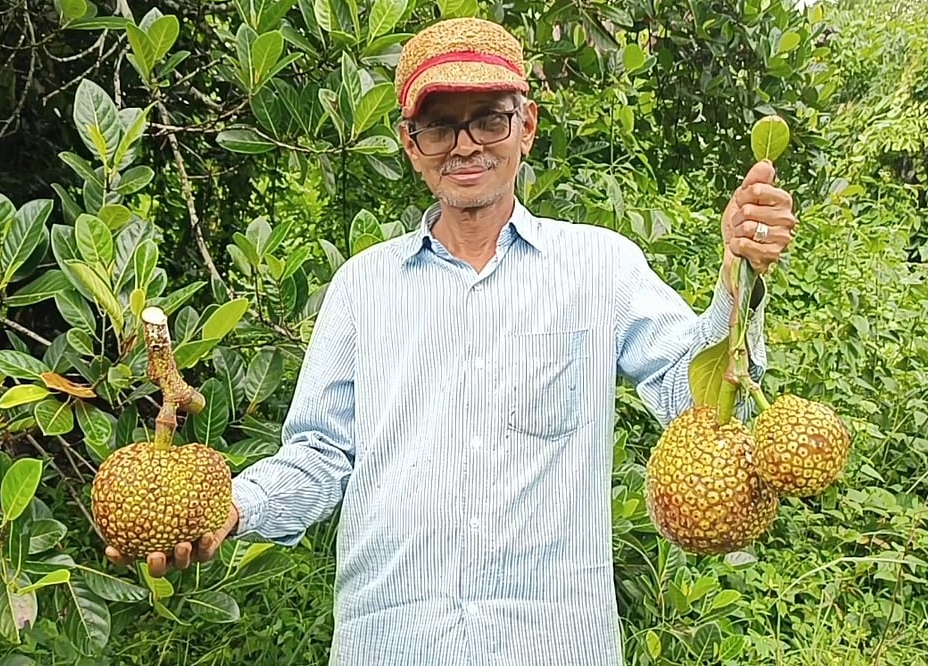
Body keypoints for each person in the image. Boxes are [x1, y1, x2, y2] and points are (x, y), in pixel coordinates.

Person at [105, 16, 797, 665]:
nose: (467, 145)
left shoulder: (600, 267)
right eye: (440, 128)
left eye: (490, 120)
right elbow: (320, 454)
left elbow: (695, 400)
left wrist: (739, 280)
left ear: (526, 126)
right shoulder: (361, 288)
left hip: (551, 643)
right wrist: (231, 509)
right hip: (392, 640)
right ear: (411, 145)